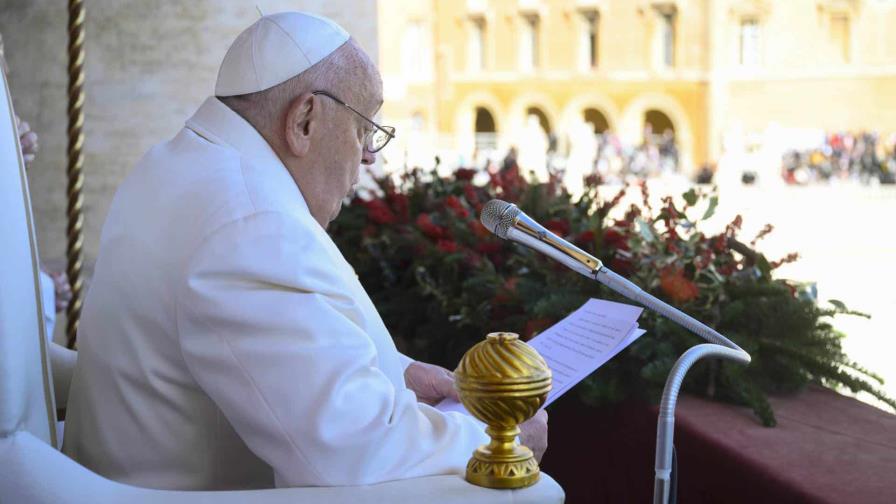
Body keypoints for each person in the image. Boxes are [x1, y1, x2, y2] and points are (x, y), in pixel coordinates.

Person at [62, 12, 547, 491]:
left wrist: (400, 372)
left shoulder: (178, 166)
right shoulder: (252, 223)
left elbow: (265, 352)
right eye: (364, 125)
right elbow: (350, 450)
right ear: (305, 119)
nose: (370, 153)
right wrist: (497, 437)